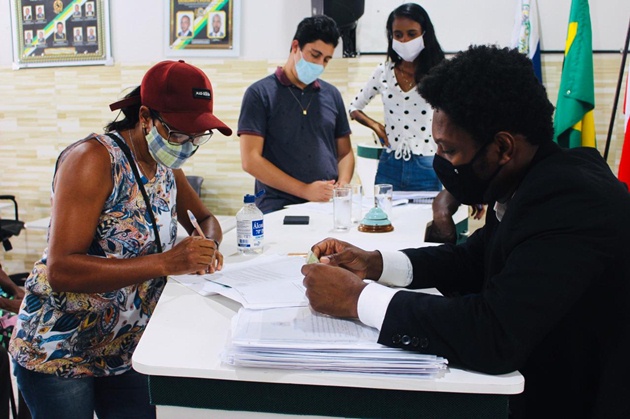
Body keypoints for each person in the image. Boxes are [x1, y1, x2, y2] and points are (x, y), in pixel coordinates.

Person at [301, 45, 630, 419]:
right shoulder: (530, 179)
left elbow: (495, 333)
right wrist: (375, 265)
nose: (440, 161)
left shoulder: (572, 200)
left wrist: (359, 300)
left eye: (449, 150)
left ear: (503, 146)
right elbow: (474, 259)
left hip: (579, 398)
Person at [9, 60, 232, 418]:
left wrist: (208, 246)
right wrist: (166, 262)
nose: (186, 145)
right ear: (145, 116)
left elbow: (203, 218)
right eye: (179, 133)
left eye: (196, 136)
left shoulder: (165, 164)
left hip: (127, 345)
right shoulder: (93, 160)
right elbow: (62, 269)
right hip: (61, 349)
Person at [238, 16, 354, 213]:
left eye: (326, 59)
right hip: (277, 207)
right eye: (315, 55)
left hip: (326, 207)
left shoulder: (331, 94)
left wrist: (342, 185)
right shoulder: (260, 94)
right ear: (295, 47)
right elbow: (251, 160)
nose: (320, 65)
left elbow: (345, 153)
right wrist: (305, 190)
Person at [349, 3, 443, 192]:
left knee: (425, 221)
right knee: (384, 221)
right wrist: (376, 127)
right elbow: (354, 108)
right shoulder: (383, 72)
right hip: (389, 164)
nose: (404, 40)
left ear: (424, 34)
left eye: (411, 33)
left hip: (427, 163)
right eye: (398, 35)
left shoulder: (439, 72)